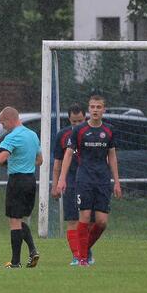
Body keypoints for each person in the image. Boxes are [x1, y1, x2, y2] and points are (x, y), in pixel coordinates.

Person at [57, 95, 123, 267]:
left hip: (102, 180)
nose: (95, 110)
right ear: (89, 110)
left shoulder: (109, 130)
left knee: (101, 222)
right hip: (84, 179)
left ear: (104, 110)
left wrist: (116, 181)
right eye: (92, 107)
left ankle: (83, 250)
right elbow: (68, 154)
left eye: (98, 107)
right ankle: (82, 258)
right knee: (84, 217)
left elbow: (112, 156)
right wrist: (61, 179)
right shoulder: (79, 130)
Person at [0, 107, 42, 268]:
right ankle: (32, 251)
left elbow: (1, 158)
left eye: (3, 123)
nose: (3, 126)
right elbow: (40, 160)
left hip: (17, 181)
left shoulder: (11, 137)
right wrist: (25, 163)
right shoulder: (32, 135)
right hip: (31, 181)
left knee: (14, 221)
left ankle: (15, 262)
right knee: (18, 219)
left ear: (10, 119)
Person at [51, 103, 87, 265]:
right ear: (69, 120)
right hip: (71, 183)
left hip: (89, 182)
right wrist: (55, 184)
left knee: (89, 221)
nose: (77, 125)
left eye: (80, 121)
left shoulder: (92, 134)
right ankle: (76, 256)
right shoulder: (63, 136)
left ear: (85, 118)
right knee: (72, 220)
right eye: (74, 122)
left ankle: (85, 252)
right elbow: (57, 163)